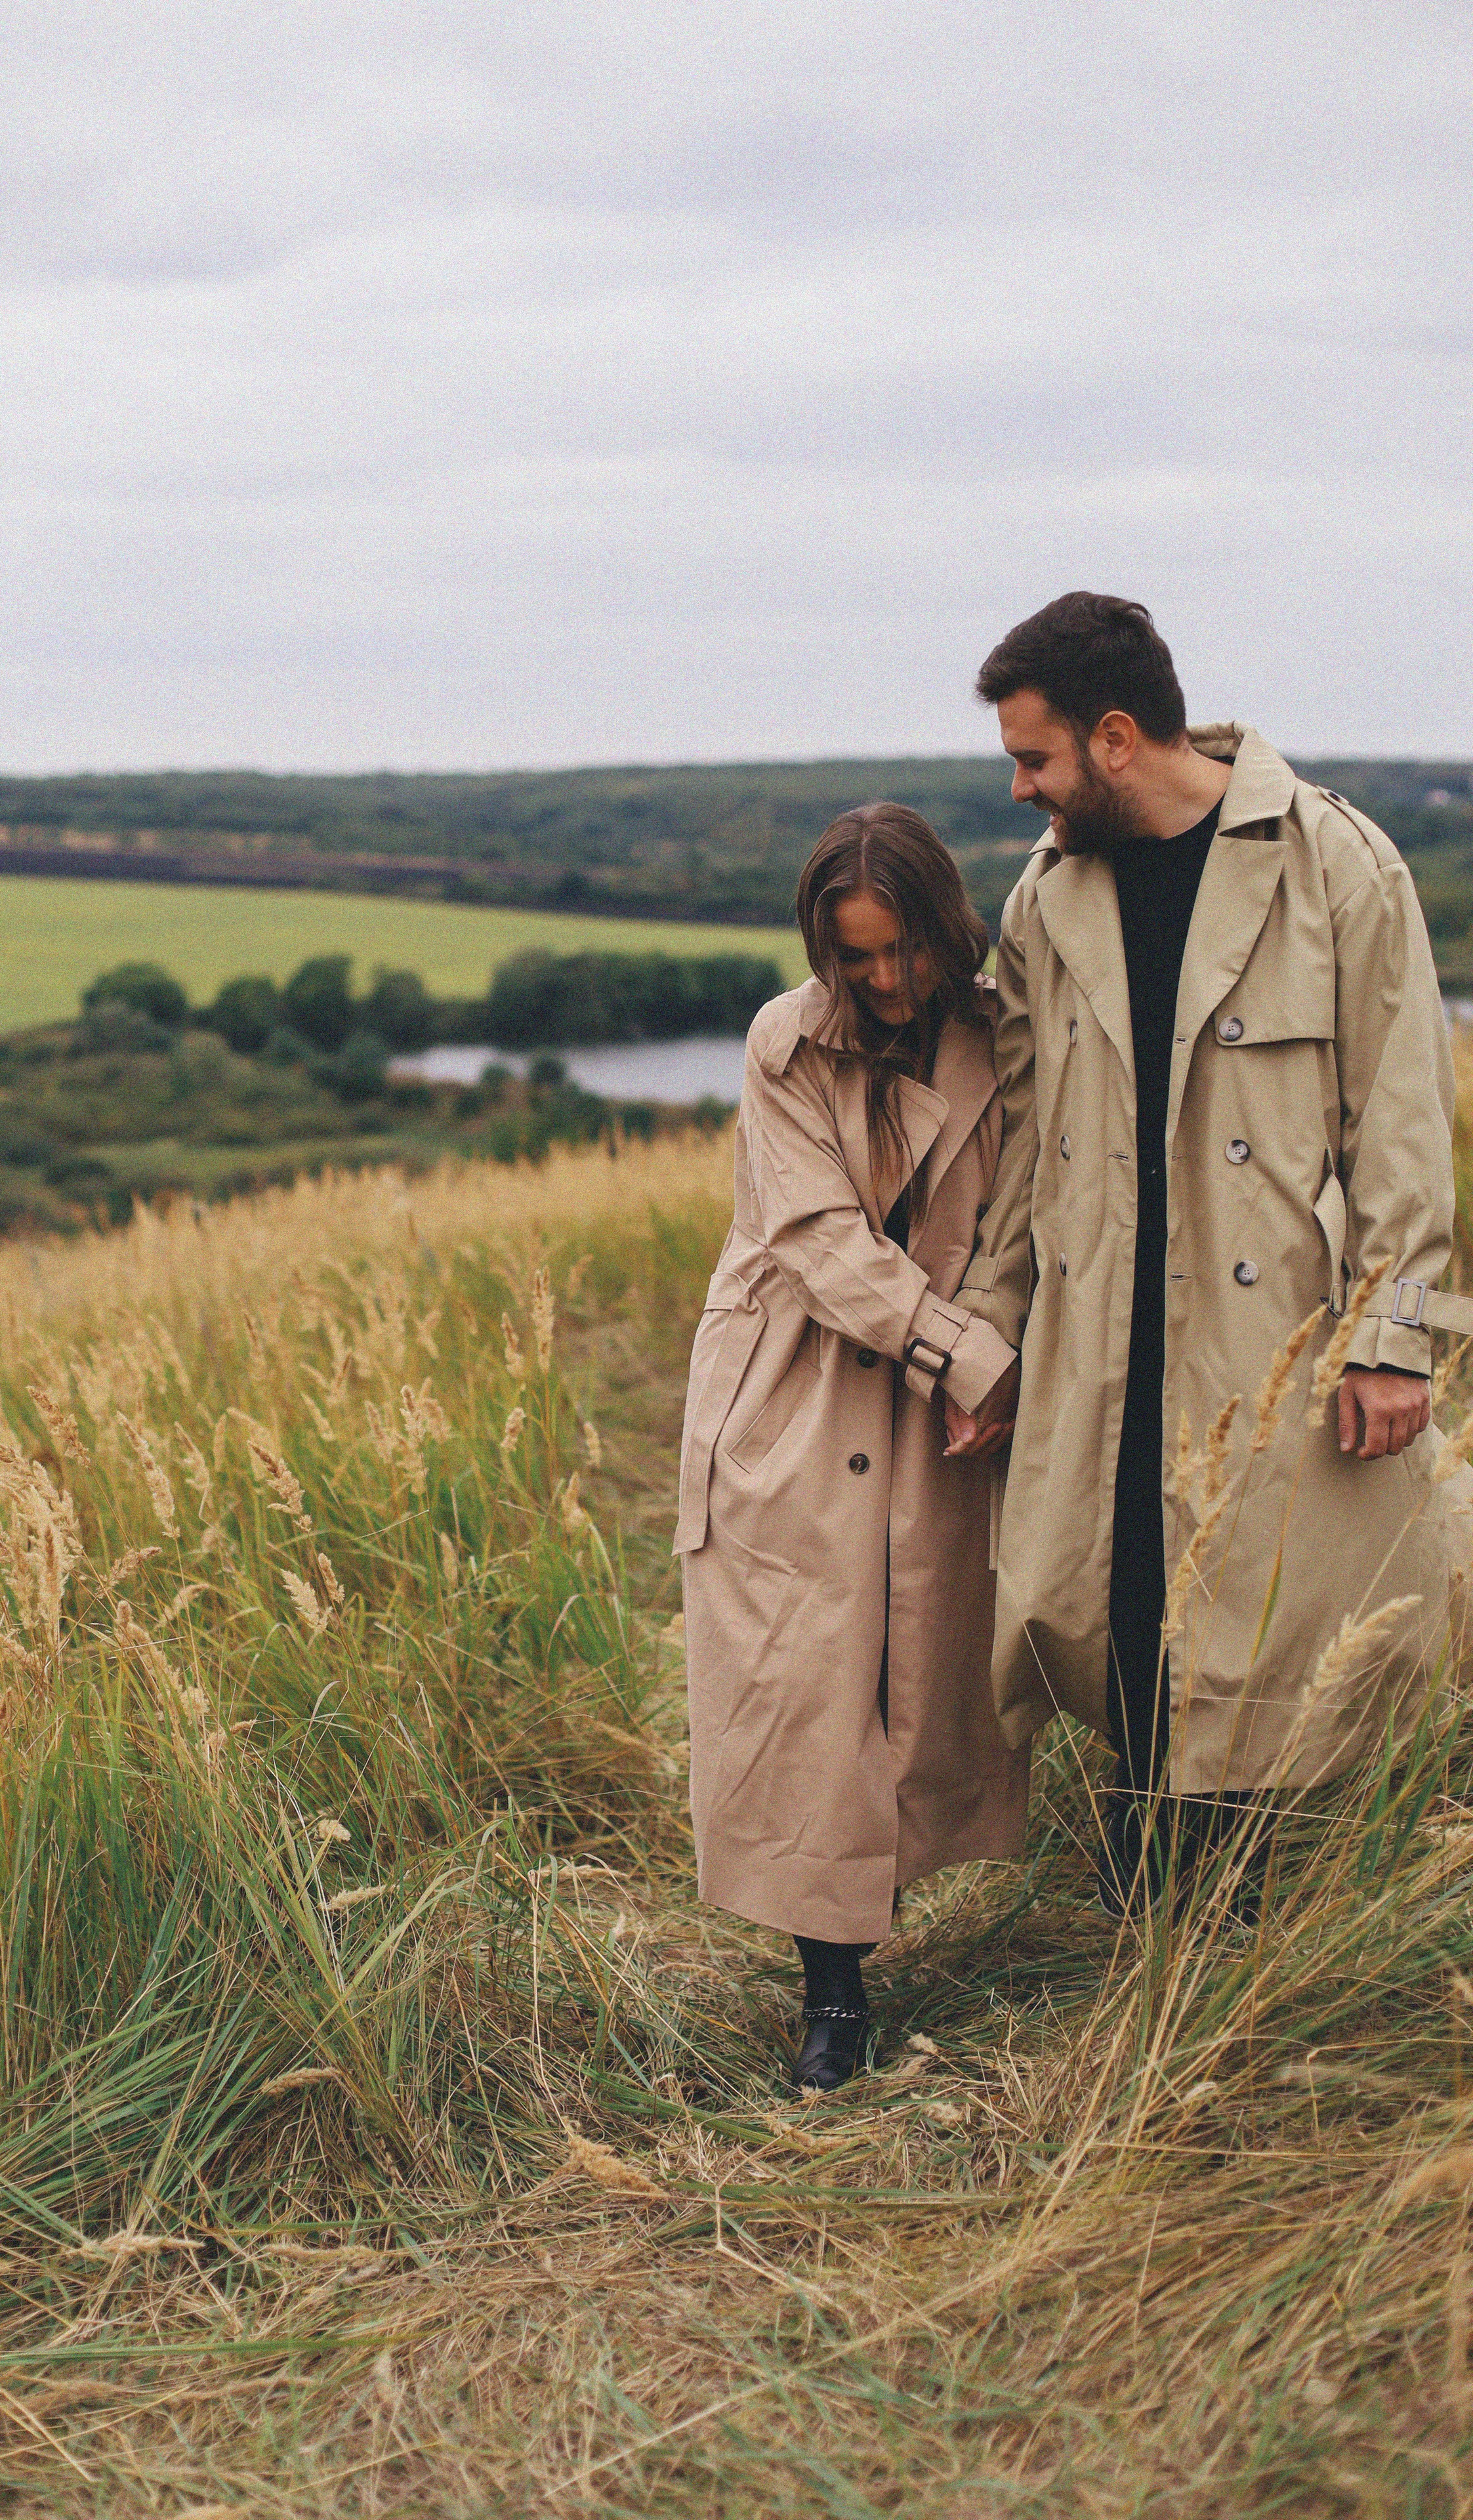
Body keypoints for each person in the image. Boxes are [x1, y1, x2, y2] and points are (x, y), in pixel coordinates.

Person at [942, 591, 1466, 1908]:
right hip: (1093, 1341)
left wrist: (1393, 1342)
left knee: (1269, 1608)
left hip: (1271, 1328)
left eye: (1033, 757)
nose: (1018, 789)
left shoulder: (1336, 865)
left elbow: (1400, 1132)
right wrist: (980, 1343)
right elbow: (1015, 1157)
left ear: (1114, 737)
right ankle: (1148, 1890)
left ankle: (1275, 1903)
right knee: (1107, 1600)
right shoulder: (1043, 900)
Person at [675, 803, 1027, 2090]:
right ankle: (828, 1996)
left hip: (948, 1396)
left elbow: (1024, 1215)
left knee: (930, 1663)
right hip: (797, 1387)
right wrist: (972, 1360)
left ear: (942, 926)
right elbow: (816, 1242)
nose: (881, 982)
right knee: (805, 1687)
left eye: (900, 952)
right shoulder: (785, 1041)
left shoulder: (1005, 1033)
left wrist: (985, 1345)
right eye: (853, 958)